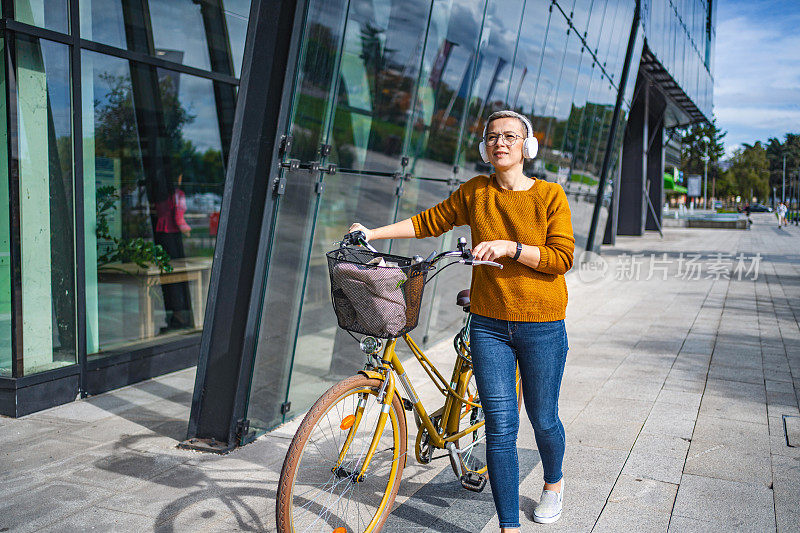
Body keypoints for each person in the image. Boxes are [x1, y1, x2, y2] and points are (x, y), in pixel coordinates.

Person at [349, 110, 574, 530]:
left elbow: (561, 259)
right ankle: (509, 525)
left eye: (509, 136)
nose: (500, 143)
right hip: (489, 325)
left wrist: (510, 247)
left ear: (527, 146)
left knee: (543, 418)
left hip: (542, 324)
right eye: (492, 137)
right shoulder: (475, 191)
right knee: (502, 425)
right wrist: (372, 233)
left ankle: (554, 482)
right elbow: (428, 222)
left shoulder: (550, 196)